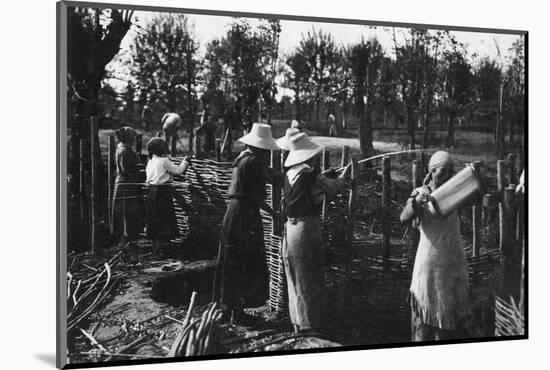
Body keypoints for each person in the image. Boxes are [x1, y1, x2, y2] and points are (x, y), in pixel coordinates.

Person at [212, 123, 281, 323]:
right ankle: (236, 312)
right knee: (242, 260)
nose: (268, 153)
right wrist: (274, 213)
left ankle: (229, 309)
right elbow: (270, 182)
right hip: (244, 215)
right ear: (260, 147)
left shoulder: (242, 159)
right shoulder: (253, 162)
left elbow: (264, 182)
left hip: (235, 213)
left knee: (231, 260)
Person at [282, 132, 350, 334]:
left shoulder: (290, 174)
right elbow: (333, 188)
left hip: (289, 229)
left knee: (295, 276)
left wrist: (324, 174)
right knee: (310, 277)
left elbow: (314, 184)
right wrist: (342, 178)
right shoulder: (310, 174)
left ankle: (298, 322)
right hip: (305, 229)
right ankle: (311, 327)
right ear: (307, 156)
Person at [399, 151, 471, 342]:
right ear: (431, 172)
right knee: (425, 319)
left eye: (449, 171)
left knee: (449, 323)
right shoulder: (421, 193)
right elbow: (404, 217)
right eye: (441, 171)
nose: (446, 175)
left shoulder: (455, 191)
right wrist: (416, 202)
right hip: (430, 266)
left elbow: (477, 193)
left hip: (453, 262)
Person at [145, 137, 192, 254]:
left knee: (154, 218)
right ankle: (161, 248)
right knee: (163, 218)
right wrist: (185, 161)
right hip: (162, 192)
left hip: (152, 191)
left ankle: (156, 246)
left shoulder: (151, 160)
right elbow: (178, 171)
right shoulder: (164, 161)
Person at [110, 127, 144, 248]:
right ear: (128, 138)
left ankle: (126, 241)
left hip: (125, 184)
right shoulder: (124, 150)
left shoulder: (123, 148)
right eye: (133, 138)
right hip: (125, 185)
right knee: (126, 213)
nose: (134, 140)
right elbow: (126, 169)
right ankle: (124, 242)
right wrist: (140, 170)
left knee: (127, 213)